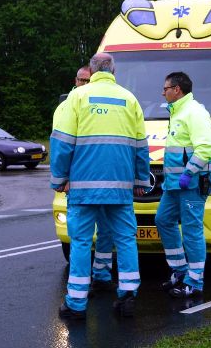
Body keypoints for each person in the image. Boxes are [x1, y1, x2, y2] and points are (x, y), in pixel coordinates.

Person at [50, 52, 150, 319]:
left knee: (81, 242)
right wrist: (141, 180)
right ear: (114, 71)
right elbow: (141, 146)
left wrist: (59, 179)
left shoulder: (77, 98)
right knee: (126, 239)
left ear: (92, 71)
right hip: (120, 188)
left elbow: (61, 142)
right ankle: (128, 296)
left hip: (83, 188)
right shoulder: (130, 99)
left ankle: (76, 304)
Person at [53, 66, 116, 293]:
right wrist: (63, 178)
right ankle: (82, 282)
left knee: (106, 231)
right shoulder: (67, 105)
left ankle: (101, 274)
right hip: (78, 182)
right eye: (82, 80)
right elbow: (61, 145)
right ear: (75, 81)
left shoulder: (98, 103)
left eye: (89, 80)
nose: (85, 84)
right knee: (81, 236)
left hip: (102, 180)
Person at [155, 72, 211, 298]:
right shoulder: (178, 112)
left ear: (177, 89)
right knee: (163, 220)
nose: (163, 92)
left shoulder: (195, 112)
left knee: (191, 231)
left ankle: (195, 281)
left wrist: (189, 173)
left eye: (165, 88)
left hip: (192, 183)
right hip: (175, 185)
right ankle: (180, 271)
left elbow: (205, 148)